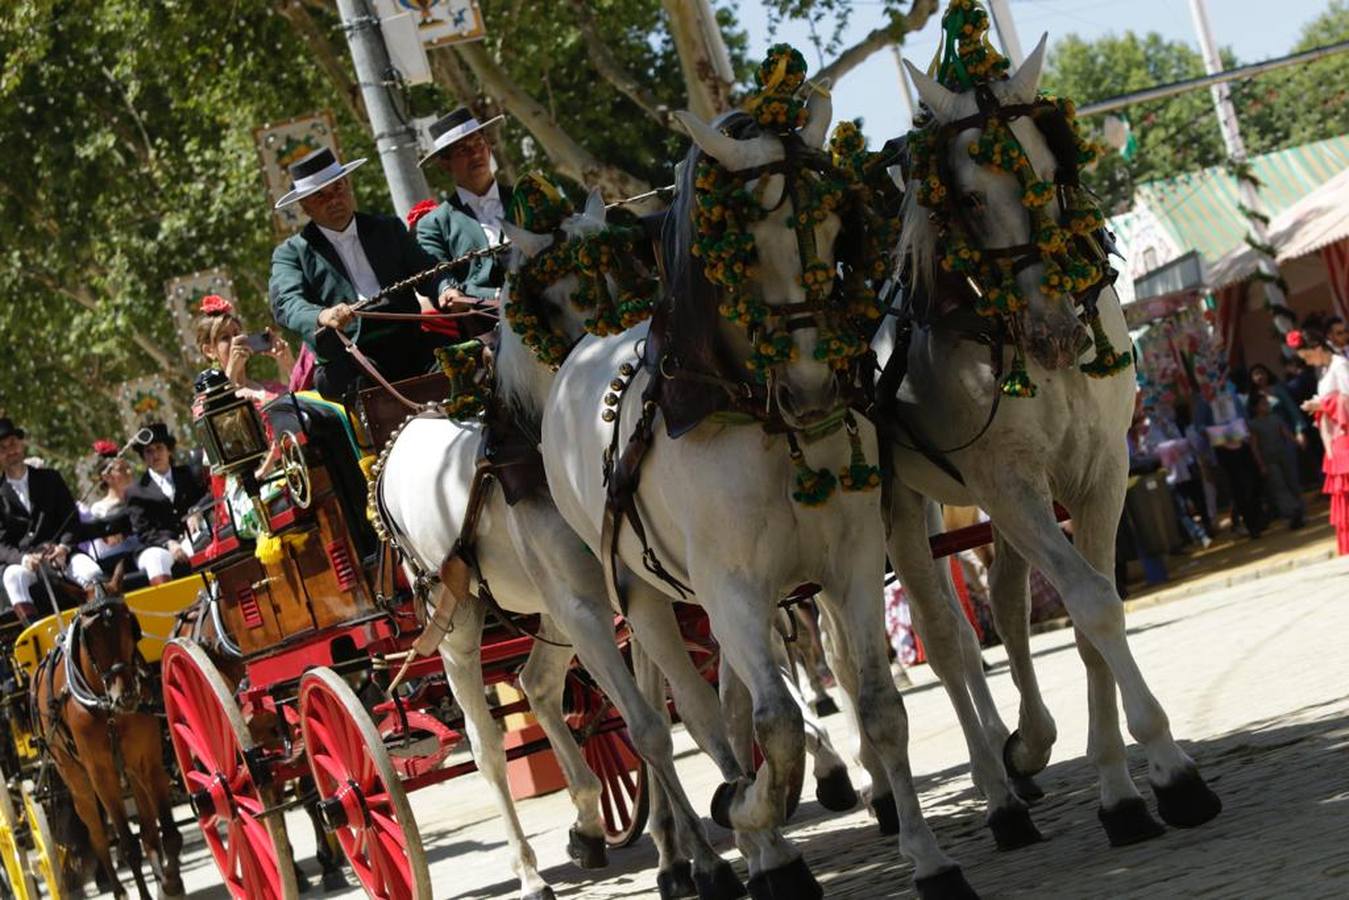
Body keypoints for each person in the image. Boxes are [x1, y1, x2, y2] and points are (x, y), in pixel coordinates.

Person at [268, 147, 454, 402]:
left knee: (463, 360)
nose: (334, 200)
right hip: (347, 356)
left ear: (348, 186)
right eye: (320, 196)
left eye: (338, 188)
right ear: (304, 205)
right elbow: (286, 304)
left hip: (407, 341)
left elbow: (428, 270)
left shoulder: (388, 228)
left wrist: (446, 289)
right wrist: (322, 316)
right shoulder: (291, 253)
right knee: (355, 384)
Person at [414, 107, 513, 339]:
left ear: (489, 148)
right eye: (463, 150)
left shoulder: (527, 198)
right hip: (489, 322)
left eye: (478, 144)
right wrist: (448, 289)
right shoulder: (434, 224)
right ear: (445, 163)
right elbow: (434, 271)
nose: (475, 154)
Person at [0, 418, 103, 621]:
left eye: (12, 443)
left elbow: (71, 520)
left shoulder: (50, 478)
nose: (9, 451)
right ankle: (38, 640)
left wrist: (63, 548)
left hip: (61, 555)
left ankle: (100, 629)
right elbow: (1, 545)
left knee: (92, 572)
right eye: (2, 448)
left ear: (21, 444)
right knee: (13, 577)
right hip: (26, 562)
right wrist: (24, 559)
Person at [82, 440, 178, 583]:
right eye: (121, 469)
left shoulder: (141, 497)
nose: (129, 472)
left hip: (149, 547)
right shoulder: (99, 509)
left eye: (128, 468)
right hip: (120, 560)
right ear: (107, 477)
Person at [1291, 325, 1349, 554]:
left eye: (1307, 356)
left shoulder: (1340, 365)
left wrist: (1323, 405)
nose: (1306, 362)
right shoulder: (1325, 371)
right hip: (1334, 440)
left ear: (1317, 348)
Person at [125, 423, 207, 569]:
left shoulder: (187, 474)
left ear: (168, 450)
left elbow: (209, 494)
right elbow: (144, 531)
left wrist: (197, 511)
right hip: (159, 546)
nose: (155, 455)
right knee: (157, 560)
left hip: (193, 536)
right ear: (143, 457)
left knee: (201, 544)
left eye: (159, 448)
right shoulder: (136, 491)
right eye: (149, 451)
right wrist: (168, 543)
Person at [196, 294, 295, 404]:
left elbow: (306, 403)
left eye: (236, 333)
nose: (235, 341)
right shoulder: (205, 402)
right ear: (209, 351)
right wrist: (231, 372)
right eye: (225, 338)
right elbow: (219, 415)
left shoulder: (271, 387)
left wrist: (288, 363)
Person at [1247, 391, 1306, 530]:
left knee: (1292, 482)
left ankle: (1300, 511)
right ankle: (1292, 512)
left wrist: (1297, 442)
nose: (1266, 406)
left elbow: (1286, 433)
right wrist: (1261, 464)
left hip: (1283, 454)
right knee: (1279, 486)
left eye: (1267, 403)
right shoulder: (1253, 424)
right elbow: (1254, 446)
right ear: (1255, 407)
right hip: (1269, 459)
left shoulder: (1276, 418)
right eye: (1263, 404)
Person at [1248, 363, 1310, 449]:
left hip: (1288, 433)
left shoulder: (1278, 389)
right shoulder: (1252, 396)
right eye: (1255, 374)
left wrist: (1300, 431)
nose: (1259, 376)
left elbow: (1292, 409)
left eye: (1261, 372)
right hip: (1268, 438)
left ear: (1267, 374)